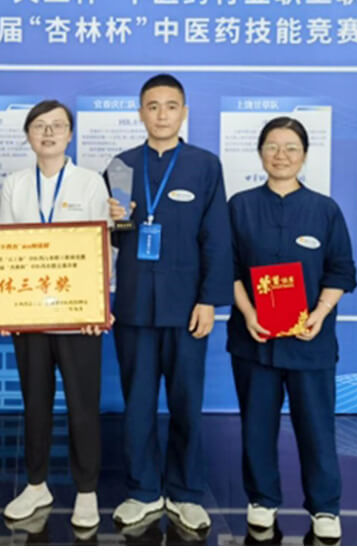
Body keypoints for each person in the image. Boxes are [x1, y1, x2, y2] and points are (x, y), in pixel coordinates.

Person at [106, 74, 233, 530]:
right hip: (135, 305)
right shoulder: (121, 166)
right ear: (140, 112)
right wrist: (116, 222)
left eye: (171, 106)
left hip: (186, 308)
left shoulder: (205, 165)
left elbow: (216, 237)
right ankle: (142, 490)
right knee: (138, 403)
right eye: (153, 106)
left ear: (184, 112)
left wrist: (209, 301)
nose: (162, 115)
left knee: (186, 402)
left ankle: (185, 492)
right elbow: (118, 239)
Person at [226, 117, 357, 541]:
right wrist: (249, 313)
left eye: (291, 148)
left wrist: (320, 313)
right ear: (260, 152)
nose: (280, 156)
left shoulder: (325, 210)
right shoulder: (240, 206)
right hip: (255, 339)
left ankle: (325, 507)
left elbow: (341, 271)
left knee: (316, 427)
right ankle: (262, 499)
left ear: (304, 155)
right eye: (272, 146)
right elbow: (229, 269)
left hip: (310, 341)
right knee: (256, 425)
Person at [0, 100, 111, 530]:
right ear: (28, 134)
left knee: (83, 405)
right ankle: (36, 484)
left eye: (57, 126)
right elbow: (5, 249)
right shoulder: (15, 184)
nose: (48, 133)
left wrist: (98, 306)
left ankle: (87, 490)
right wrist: (6, 310)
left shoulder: (90, 182)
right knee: (36, 403)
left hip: (79, 316)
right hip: (28, 315)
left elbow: (102, 249)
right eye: (40, 126)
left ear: (70, 134)